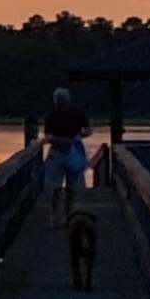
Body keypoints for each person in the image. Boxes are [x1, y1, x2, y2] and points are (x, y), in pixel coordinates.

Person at [42, 84, 90, 215]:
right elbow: (48, 137)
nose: (60, 101)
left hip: (66, 152)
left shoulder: (72, 113)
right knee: (59, 188)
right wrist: (73, 138)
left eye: (61, 98)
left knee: (65, 188)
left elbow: (88, 130)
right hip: (60, 153)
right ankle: (62, 214)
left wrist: (78, 136)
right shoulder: (52, 116)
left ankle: (60, 215)